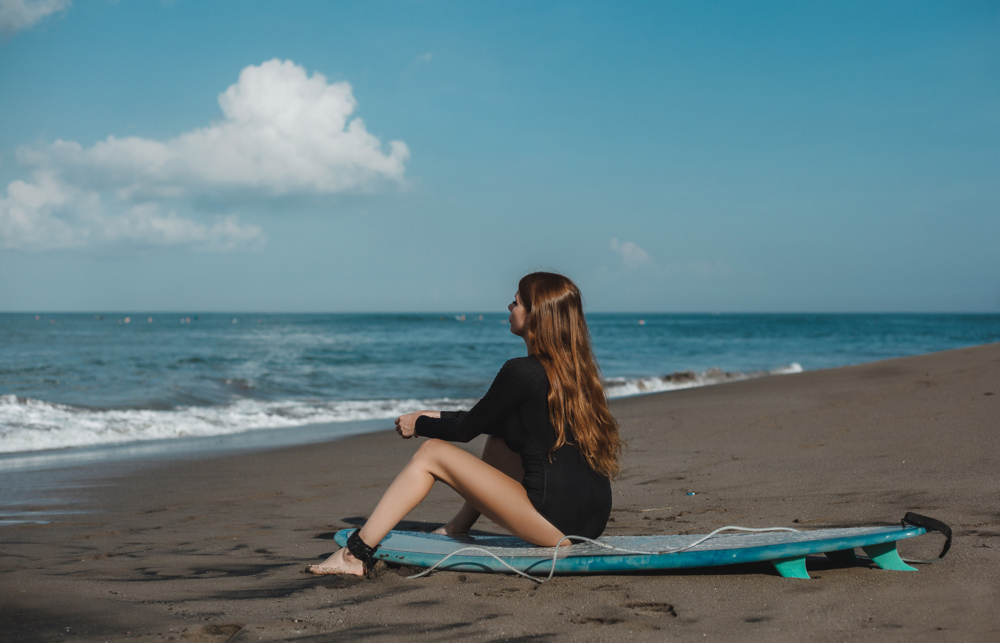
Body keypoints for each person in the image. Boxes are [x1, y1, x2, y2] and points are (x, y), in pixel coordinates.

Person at [306, 272, 624, 576]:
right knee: (500, 440)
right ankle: (457, 527)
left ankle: (355, 555)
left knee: (431, 454)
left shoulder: (522, 371)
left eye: (516, 302)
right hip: (592, 522)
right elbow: (485, 418)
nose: (510, 307)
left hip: (556, 527)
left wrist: (421, 426)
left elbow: (466, 429)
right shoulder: (578, 375)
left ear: (536, 314)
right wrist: (428, 415)